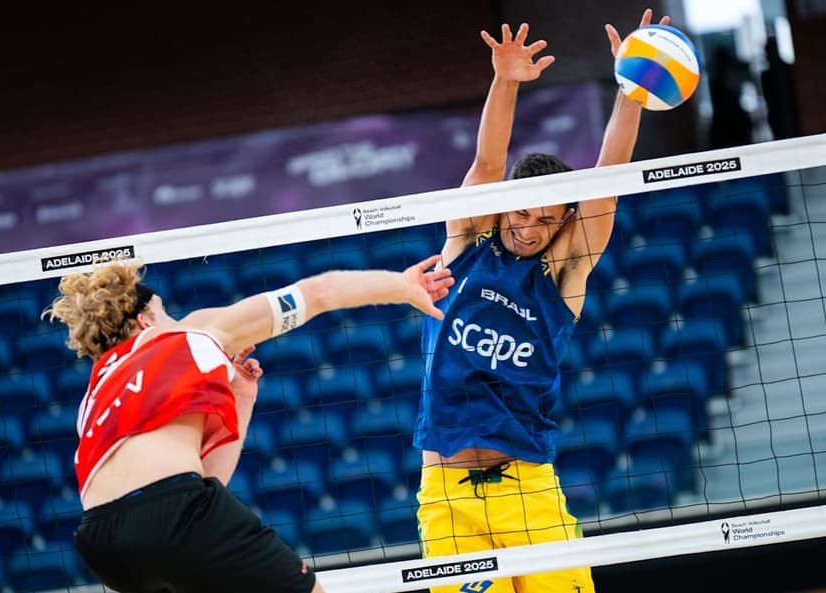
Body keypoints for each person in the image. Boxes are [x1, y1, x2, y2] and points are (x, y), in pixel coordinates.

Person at [414, 11, 667, 593]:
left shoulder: (561, 276)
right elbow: (487, 164)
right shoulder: (464, 245)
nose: (530, 228)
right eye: (523, 212)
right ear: (506, 206)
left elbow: (609, 178)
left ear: (561, 225)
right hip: (446, 499)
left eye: (546, 220)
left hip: (526, 489)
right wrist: (505, 81)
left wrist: (629, 89)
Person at [43, 255, 453, 593]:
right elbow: (319, 294)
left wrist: (243, 395)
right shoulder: (188, 333)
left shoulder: (96, 391)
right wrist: (401, 285)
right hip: (170, 517)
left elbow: (205, 486)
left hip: (102, 545)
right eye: (165, 311)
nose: (175, 318)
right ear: (145, 322)